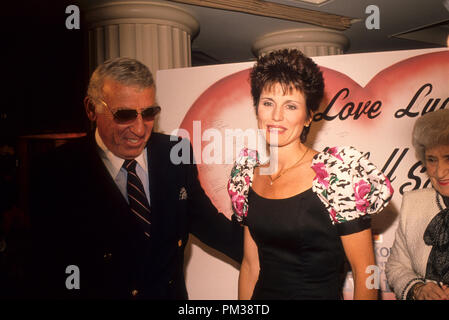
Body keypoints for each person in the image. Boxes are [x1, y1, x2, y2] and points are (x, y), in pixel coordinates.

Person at [26, 57, 243, 299]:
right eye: (125, 115)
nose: (140, 129)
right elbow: (46, 267)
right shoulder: (57, 170)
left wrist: (273, 255)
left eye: (149, 113)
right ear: (91, 109)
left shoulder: (175, 152)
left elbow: (208, 223)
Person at [227, 49, 393, 300]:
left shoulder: (337, 175)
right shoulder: (247, 176)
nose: (276, 116)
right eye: (267, 103)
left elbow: (365, 271)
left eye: (290, 106)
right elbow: (251, 266)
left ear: (308, 117)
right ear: (256, 108)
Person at [385, 109, 449, 300]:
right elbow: (396, 266)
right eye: (432, 160)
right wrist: (418, 288)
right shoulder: (413, 203)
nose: (440, 172)